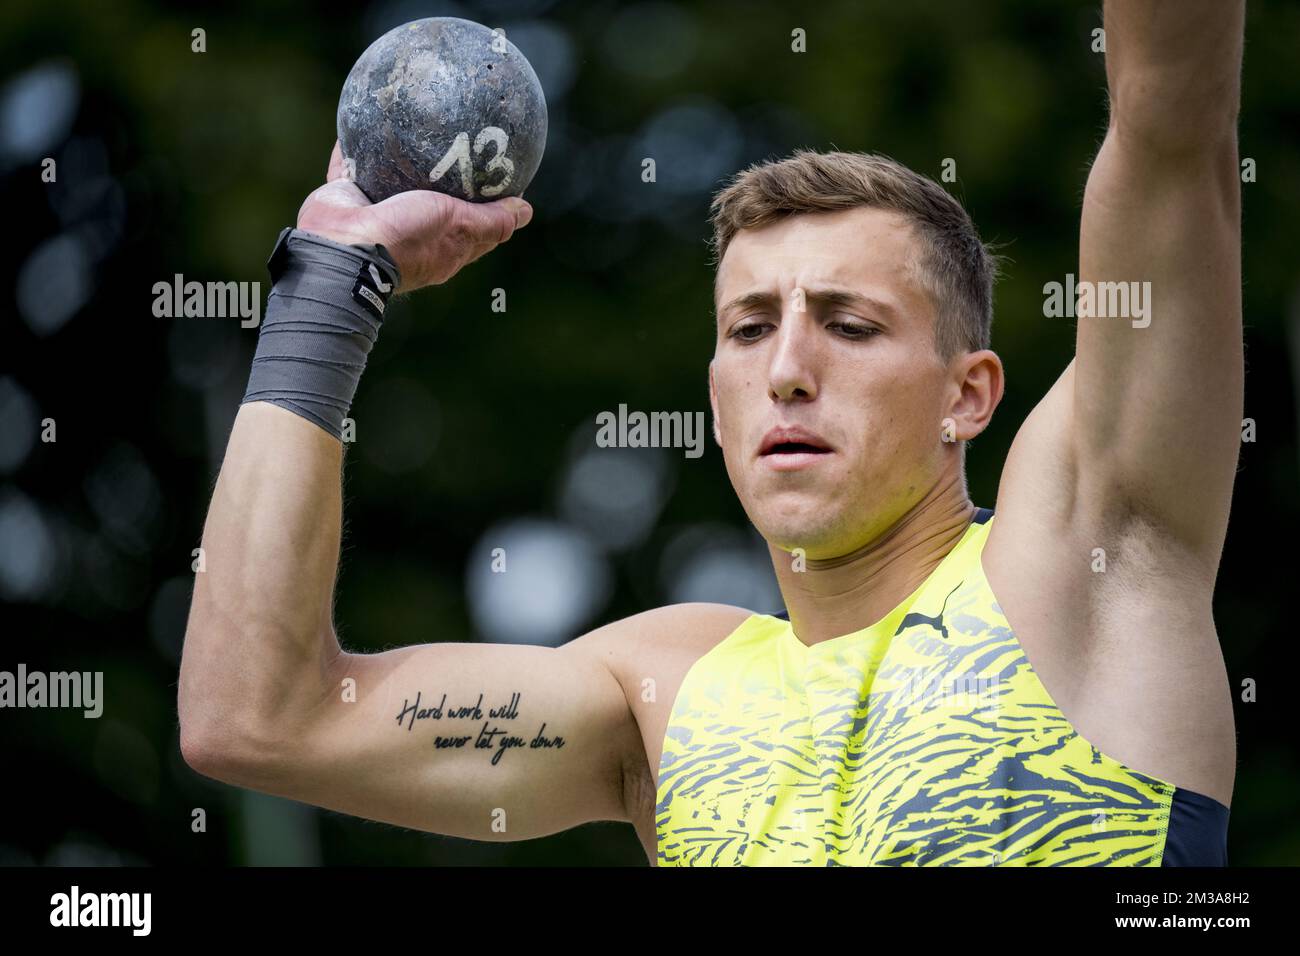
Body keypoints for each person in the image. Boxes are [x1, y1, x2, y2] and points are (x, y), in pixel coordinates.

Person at [179, 0, 1243, 866]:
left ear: (968, 396)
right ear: (715, 393)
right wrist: (330, 285)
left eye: (849, 323)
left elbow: (1171, 124)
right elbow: (259, 717)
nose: (786, 368)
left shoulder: (1085, 553)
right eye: (749, 327)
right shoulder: (665, 690)